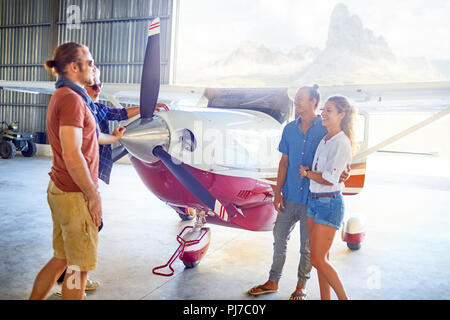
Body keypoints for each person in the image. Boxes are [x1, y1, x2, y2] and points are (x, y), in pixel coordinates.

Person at [52, 67, 168, 296]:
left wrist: (150, 108)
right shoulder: (76, 110)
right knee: (82, 236)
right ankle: (71, 287)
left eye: (100, 85)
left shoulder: (95, 108)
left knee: (80, 237)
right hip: (77, 185)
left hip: (82, 182)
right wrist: (91, 194)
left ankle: (69, 280)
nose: (98, 90)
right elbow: (81, 147)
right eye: (93, 86)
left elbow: (120, 113)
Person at [29, 42, 107, 300]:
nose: (94, 68)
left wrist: (113, 138)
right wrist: (93, 195)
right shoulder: (72, 100)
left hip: (61, 190)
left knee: (61, 259)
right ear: (74, 67)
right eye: (90, 62)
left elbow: (85, 139)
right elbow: (73, 154)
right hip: (75, 195)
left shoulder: (64, 96)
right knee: (77, 268)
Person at [300, 96, 355, 300]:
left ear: (342, 115)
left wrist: (306, 173)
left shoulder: (341, 142)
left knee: (317, 259)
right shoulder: (326, 138)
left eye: (329, 110)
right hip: (314, 201)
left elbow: (330, 178)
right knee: (322, 258)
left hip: (329, 203)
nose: (323, 113)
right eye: (324, 109)